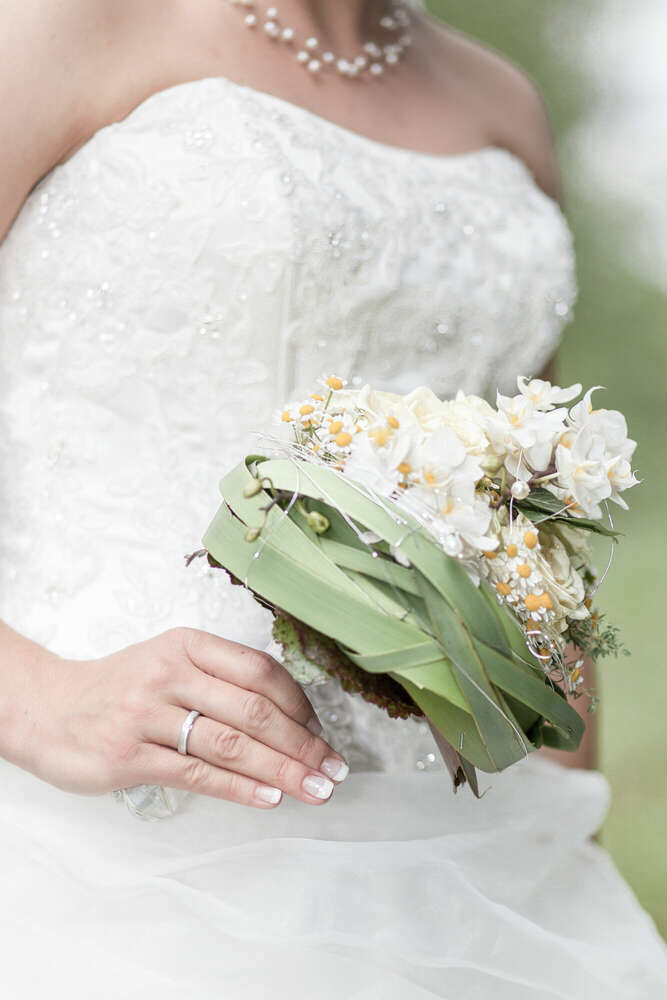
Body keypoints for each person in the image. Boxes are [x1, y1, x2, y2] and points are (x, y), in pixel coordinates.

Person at [1, 1, 665, 996]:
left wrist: (565, 828)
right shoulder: (53, 31)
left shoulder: (501, 104)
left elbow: (530, 541)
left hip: (474, 869)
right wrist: (40, 700)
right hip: (109, 861)